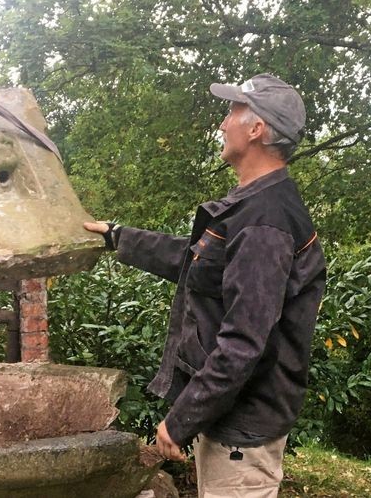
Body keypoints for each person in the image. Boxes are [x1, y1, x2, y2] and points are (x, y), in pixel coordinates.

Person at [84, 74, 325, 497]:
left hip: (242, 432)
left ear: (256, 129)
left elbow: (243, 342)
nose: (222, 123)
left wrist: (180, 420)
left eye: (232, 111)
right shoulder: (253, 206)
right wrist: (117, 236)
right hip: (232, 422)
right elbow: (197, 261)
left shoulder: (265, 223)